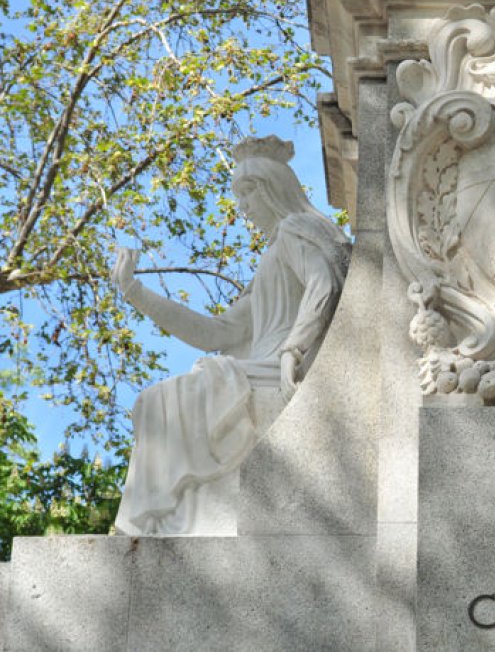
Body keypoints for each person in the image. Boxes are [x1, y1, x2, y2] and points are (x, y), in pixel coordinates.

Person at [110, 136, 350, 534]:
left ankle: (161, 521)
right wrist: (136, 292)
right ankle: (172, 523)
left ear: (271, 191)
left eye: (246, 195)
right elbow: (216, 332)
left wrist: (296, 346)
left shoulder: (295, 230)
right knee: (156, 401)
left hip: (281, 367)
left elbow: (323, 283)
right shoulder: (272, 256)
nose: (242, 208)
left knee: (163, 402)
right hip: (261, 366)